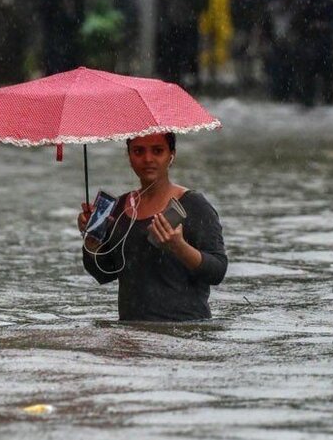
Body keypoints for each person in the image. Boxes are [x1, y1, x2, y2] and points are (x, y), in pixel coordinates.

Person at [76, 133, 228, 322]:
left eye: (158, 151)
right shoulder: (119, 208)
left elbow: (218, 271)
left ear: (172, 155)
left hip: (184, 331)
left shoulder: (194, 205)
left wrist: (179, 247)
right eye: (138, 151)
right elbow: (105, 273)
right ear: (129, 156)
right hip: (132, 333)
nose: (148, 159)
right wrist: (92, 243)